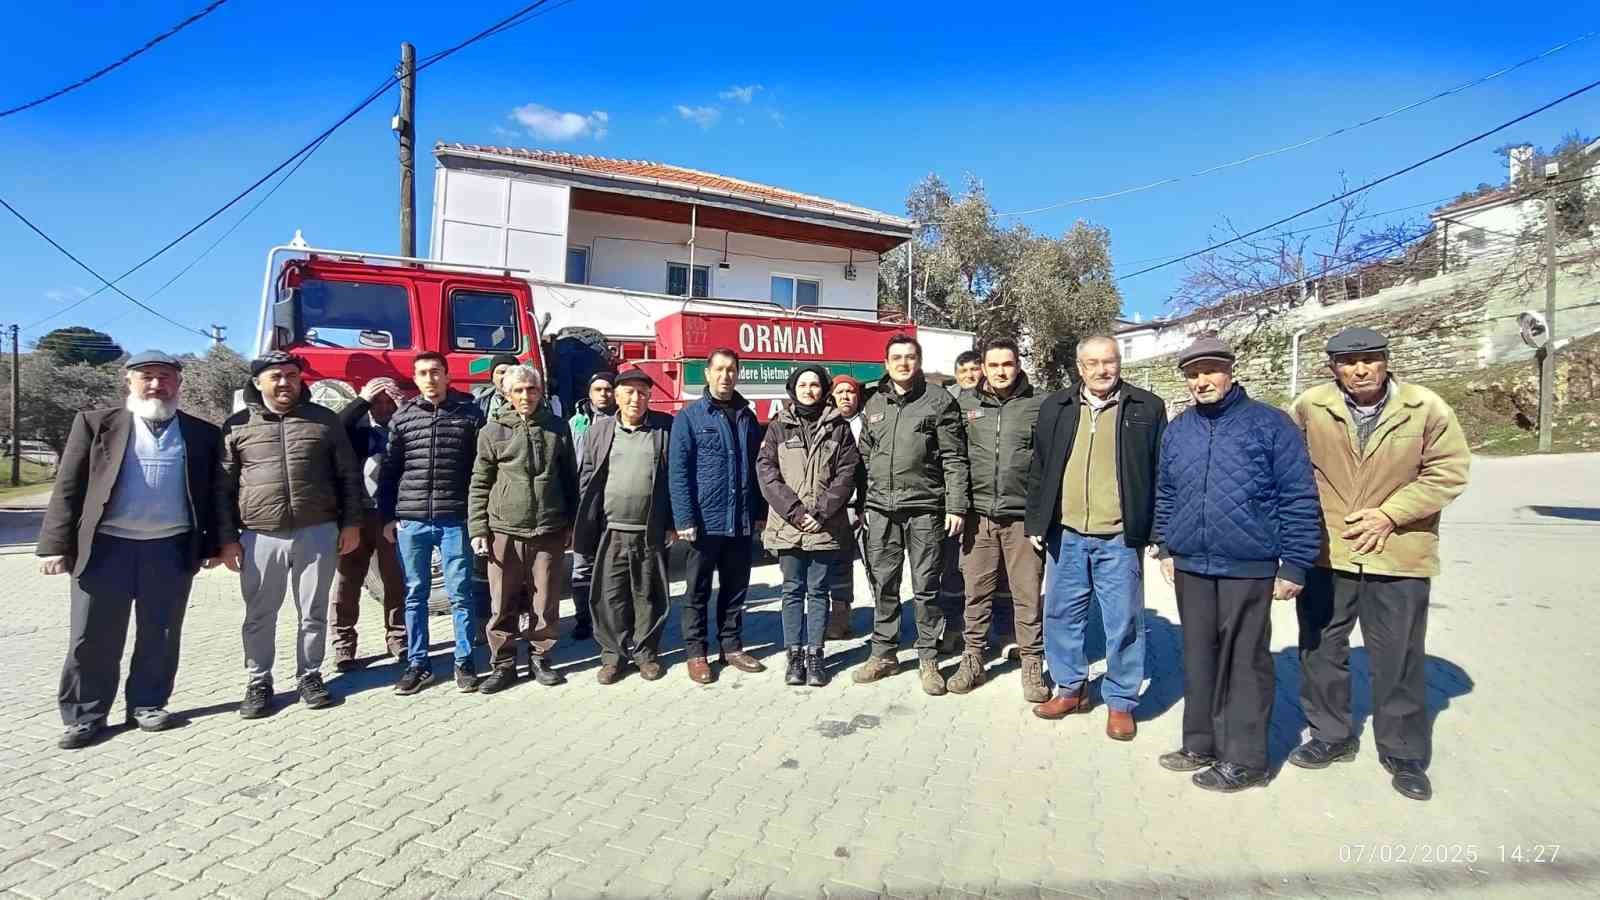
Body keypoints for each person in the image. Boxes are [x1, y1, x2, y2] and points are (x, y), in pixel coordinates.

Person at [1288, 327, 1470, 802]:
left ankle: (1404, 752)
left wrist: (1391, 513)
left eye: (1370, 359)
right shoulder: (1311, 407)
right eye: (1349, 362)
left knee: (1400, 656)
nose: (1361, 369)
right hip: (1328, 550)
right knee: (1321, 646)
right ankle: (1329, 734)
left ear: (1387, 360)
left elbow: (1448, 471)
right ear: (1334, 368)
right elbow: (1289, 469)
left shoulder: (1424, 406)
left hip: (1400, 552)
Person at [1152, 336, 1321, 793]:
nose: (1202, 380)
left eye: (1210, 370)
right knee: (1198, 656)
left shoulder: (1270, 425)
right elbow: (1165, 493)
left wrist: (1295, 565)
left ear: (1230, 371)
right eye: (1192, 374)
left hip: (1248, 564)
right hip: (1191, 564)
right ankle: (1201, 743)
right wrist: (1164, 546)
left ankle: (1246, 760)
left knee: (1244, 662)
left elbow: (1298, 497)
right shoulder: (1179, 429)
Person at [38, 352, 225, 749]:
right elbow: (68, 488)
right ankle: (84, 716)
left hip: (170, 550)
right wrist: (54, 546)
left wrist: (212, 544)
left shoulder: (202, 433)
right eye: (147, 377)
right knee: (93, 636)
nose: (157, 385)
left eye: (165, 377)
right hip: (106, 549)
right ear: (129, 381)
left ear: (179, 384)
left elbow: (211, 496)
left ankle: (148, 704)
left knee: (160, 632)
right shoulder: (95, 424)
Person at [1026, 337, 1167, 737]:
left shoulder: (1146, 407)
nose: (1102, 370)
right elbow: (1040, 467)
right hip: (1065, 533)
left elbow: (1159, 473)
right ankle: (1071, 688)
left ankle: (1121, 700)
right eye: (1093, 363)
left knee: (1123, 621)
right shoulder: (1056, 406)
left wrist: (1156, 532)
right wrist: (1037, 522)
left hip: (1119, 537)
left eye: (1109, 362)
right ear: (1079, 366)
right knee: (1061, 615)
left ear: (1120, 364)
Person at [217, 351, 364, 719]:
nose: (285, 382)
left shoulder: (324, 421)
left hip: (317, 531)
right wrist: (226, 538)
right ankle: (259, 681)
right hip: (259, 535)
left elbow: (348, 476)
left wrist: (350, 523)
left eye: (291, 375)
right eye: (276, 376)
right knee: (260, 613)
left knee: (313, 612)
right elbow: (221, 488)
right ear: (258, 382)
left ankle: (310, 675)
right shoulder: (236, 426)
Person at [853, 334, 970, 695]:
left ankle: (928, 659)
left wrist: (955, 505)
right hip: (882, 511)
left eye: (910, 357)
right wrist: (865, 501)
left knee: (925, 589)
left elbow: (954, 457)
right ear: (886, 363)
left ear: (918, 362)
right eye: (896, 358)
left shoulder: (938, 401)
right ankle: (884, 653)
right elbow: (865, 453)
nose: (903, 363)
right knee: (884, 584)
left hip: (925, 511)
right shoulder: (874, 402)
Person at [380, 352, 486, 695]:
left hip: (455, 518)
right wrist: (387, 518)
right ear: (415, 378)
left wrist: (477, 516)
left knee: (460, 593)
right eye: (423, 373)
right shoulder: (403, 417)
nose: (430, 379)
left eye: (435, 372)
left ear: (447, 375)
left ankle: (464, 660)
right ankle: (418, 663)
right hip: (411, 522)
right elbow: (390, 471)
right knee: (414, 594)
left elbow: (479, 471)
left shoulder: (469, 413)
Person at [947, 339, 1048, 701]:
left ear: (1018, 365)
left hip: (1021, 519)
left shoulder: (1038, 405)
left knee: (1027, 594)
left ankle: (1032, 663)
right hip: (978, 517)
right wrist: (958, 506)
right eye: (994, 365)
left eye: (1008, 364)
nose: (1001, 371)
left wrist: (1041, 517)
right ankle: (973, 658)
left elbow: (1047, 464)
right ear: (984, 368)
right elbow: (955, 459)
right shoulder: (966, 405)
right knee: (976, 592)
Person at [469, 365, 579, 693]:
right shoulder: (492, 432)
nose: (525, 396)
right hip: (503, 530)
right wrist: (478, 528)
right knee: (502, 601)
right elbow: (479, 482)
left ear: (540, 392)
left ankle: (540, 658)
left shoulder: (557, 428)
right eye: (518, 390)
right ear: (507, 394)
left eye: (531, 389)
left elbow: (569, 479)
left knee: (544, 600)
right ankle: (503, 664)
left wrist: (571, 522)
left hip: (549, 528)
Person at [756, 366, 861, 687]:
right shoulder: (778, 427)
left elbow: (847, 473)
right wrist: (795, 511)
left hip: (825, 526)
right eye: (803, 384)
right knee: (791, 591)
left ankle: (815, 654)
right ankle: (794, 656)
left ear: (823, 389)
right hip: (789, 525)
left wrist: (821, 512)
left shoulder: (838, 427)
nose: (809, 389)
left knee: (818, 591)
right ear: (793, 389)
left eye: (815, 384)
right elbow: (766, 471)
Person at [668, 348, 768, 684]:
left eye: (731, 370)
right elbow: (678, 473)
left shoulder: (747, 417)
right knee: (696, 590)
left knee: (735, 587)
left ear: (737, 374)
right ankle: (696, 652)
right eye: (719, 370)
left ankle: (732, 646)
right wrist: (683, 519)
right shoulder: (690, 417)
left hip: (739, 521)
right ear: (707, 374)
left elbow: (757, 469)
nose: (726, 376)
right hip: (703, 522)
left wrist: (759, 513)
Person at [575, 369, 675, 684]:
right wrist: (587, 521)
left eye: (642, 393)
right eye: (629, 392)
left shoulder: (664, 429)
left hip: (649, 530)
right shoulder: (600, 431)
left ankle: (646, 654)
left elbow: (675, 480)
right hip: (610, 530)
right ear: (617, 396)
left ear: (650, 397)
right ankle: (613, 657)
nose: (636, 399)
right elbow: (586, 481)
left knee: (647, 595)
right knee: (609, 596)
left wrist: (672, 523)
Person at [330, 377, 408, 669]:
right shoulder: (354, 433)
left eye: (389, 401)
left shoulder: (403, 430)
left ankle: (399, 639)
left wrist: (403, 407)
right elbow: (334, 427)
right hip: (356, 516)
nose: (383, 407)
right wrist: (362, 399)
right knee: (346, 583)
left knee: (395, 580)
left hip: (391, 516)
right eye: (378, 401)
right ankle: (344, 645)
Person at [935, 349, 985, 653]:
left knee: (991, 571)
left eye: (974, 369)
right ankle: (953, 628)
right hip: (952, 501)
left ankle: (1001, 632)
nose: (970, 375)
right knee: (951, 570)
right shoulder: (946, 402)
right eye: (963, 370)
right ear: (956, 374)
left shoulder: (993, 401)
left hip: (985, 500)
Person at [566, 371, 617, 642]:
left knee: (610, 565)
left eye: (608, 389)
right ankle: (582, 619)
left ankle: (607, 620)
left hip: (612, 504)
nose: (604, 394)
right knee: (583, 564)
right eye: (598, 389)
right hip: (583, 504)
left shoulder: (623, 421)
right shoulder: (576, 423)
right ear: (590, 392)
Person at [824, 375, 868, 640]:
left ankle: (885, 621)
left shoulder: (870, 424)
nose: (845, 397)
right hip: (837, 508)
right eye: (839, 392)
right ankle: (840, 618)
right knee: (838, 565)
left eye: (850, 392)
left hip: (867, 506)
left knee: (876, 564)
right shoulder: (827, 426)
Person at [474, 353, 523, 419]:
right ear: (492, 378)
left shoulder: (529, 400)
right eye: (502, 372)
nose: (506, 376)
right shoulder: (479, 398)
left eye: (511, 372)